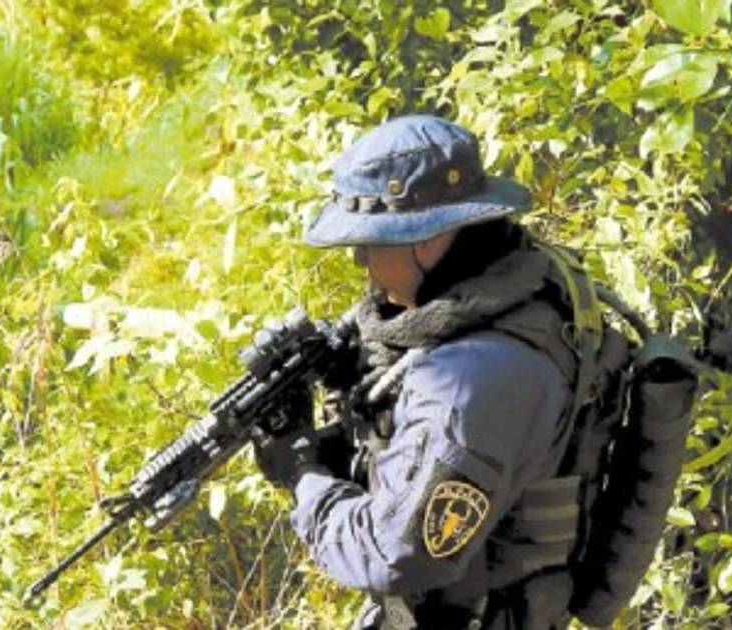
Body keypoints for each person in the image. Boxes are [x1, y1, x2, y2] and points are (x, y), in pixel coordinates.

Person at [252, 115, 590, 629]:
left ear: (430, 238)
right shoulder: (519, 284)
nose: (359, 260)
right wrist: (346, 397)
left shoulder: (474, 377)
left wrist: (303, 476)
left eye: (371, 242)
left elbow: (394, 555)